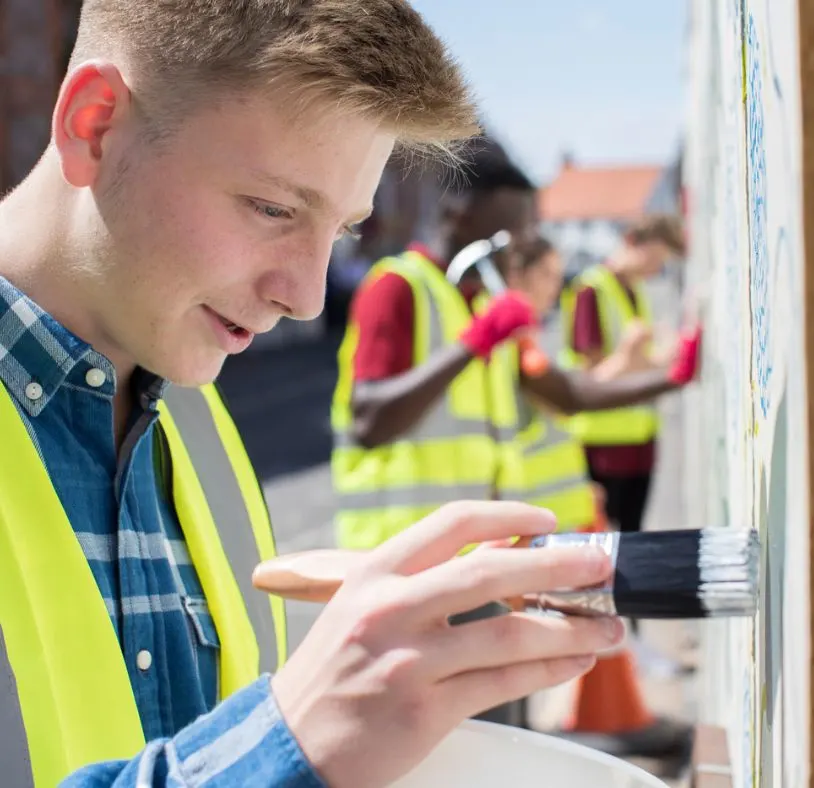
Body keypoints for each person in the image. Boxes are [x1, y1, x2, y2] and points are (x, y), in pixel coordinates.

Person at [0, 3, 633, 786]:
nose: (304, 297)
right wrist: (285, 745)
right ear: (93, 125)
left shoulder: (197, 421)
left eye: (338, 232)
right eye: (272, 209)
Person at [330, 144, 701, 724]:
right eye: (509, 239)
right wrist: (472, 343)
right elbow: (370, 422)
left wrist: (672, 378)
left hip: (480, 568)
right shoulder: (396, 288)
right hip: (406, 571)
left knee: (505, 731)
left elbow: (567, 394)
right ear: (459, 215)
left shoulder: (487, 305)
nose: (522, 252)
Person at [505, 236, 693, 762]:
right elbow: (575, 394)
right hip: (536, 512)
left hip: (552, 504)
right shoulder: (516, 334)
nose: (554, 291)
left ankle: (531, 743)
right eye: (547, 276)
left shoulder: (521, 334)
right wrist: (669, 377)